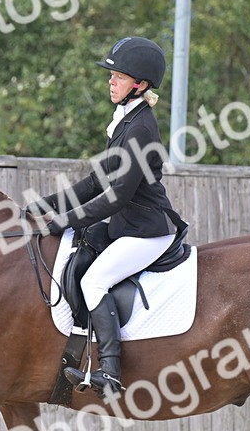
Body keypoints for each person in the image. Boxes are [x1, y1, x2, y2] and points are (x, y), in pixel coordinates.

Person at [24, 36, 186, 398]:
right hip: (125, 225)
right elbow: (97, 180)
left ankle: (110, 372)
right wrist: (47, 205)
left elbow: (115, 196)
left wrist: (64, 220)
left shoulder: (141, 130)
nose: (110, 81)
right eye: (111, 75)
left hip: (146, 231)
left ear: (139, 85)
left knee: (94, 281)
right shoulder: (126, 121)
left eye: (119, 76)